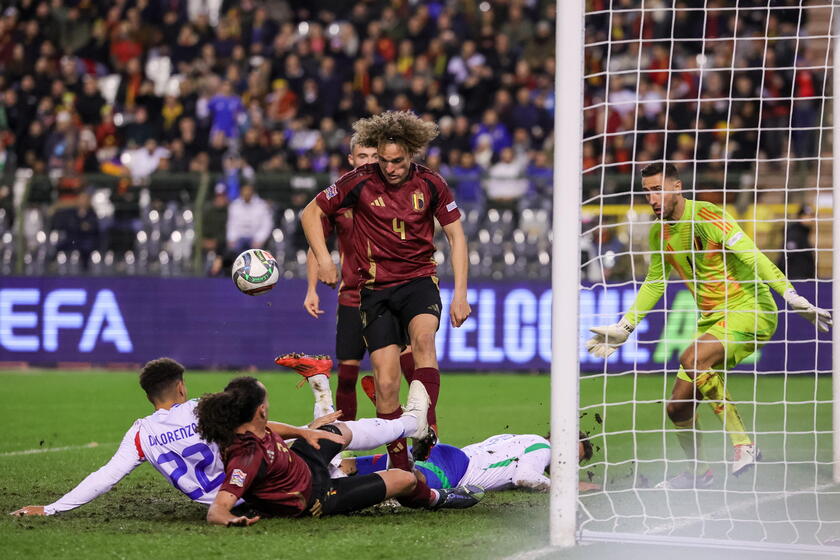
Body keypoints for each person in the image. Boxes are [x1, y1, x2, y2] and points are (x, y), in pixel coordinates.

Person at [586, 163, 832, 489]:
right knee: (677, 408)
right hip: (714, 319)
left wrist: (789, 292)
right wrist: (625, 327)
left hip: (751, 309)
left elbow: (752, 254)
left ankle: (743, 443)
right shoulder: (660, 232)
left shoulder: (708, 217)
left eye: (658, 189)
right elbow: (655, 283)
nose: (652, 198)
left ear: (677, 187)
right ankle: (699, 474)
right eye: (647, 191)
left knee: (693, 358)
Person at [9, 358, 438, 517]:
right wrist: (302, 431)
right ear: (179, 388)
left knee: (321, 448)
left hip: (237, 491)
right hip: (258, 485)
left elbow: (105, 477)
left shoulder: (139, 435)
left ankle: (352, 425)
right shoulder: (200, 408)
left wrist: (50, 509)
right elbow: (257, 425)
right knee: (332, 437)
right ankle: (408, 423)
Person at [300, 112, 470, 496]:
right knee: (387, 383)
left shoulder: (432, 183)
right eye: (384, 160)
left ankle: (423, 421)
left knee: (424, 341)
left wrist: (461, 293)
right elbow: (311, 212)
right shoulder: (358, 181)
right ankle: (401, 471)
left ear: (411, 155)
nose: (391, 169)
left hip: (418, 282)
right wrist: (325, 260)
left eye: (398, 161)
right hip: (374, 292)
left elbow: (456, 237)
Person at [196, 376, 483, 526]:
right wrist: (232, 520)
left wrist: (303, 431)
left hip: (302, 462)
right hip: (317, 496)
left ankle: (410, 423)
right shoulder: (245, 456)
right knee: (404, 480)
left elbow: (270, 427)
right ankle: (436, 498)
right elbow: (218, 509)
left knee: (338, 430)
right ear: (260, 408)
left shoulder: (249, 425)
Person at [298, 134, 416, 424]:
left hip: (394, 292)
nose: (368, 162)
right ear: (351, 160)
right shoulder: (340, 197)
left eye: (373, 157)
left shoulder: (392, 193)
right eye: (362, 157)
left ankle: (422, 431)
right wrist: (311, 288)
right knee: (347, 375)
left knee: (411, 368)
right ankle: (345, 445)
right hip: (353, 296)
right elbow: (316, 242)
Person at [341, 431, 599, 494]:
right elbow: (525, 478)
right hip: (456, 471)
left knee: (353, 466)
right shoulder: (543, 449)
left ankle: (326, 470)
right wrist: (568, 488)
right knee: (405, 484)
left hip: (449, 455)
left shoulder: (515, 438)